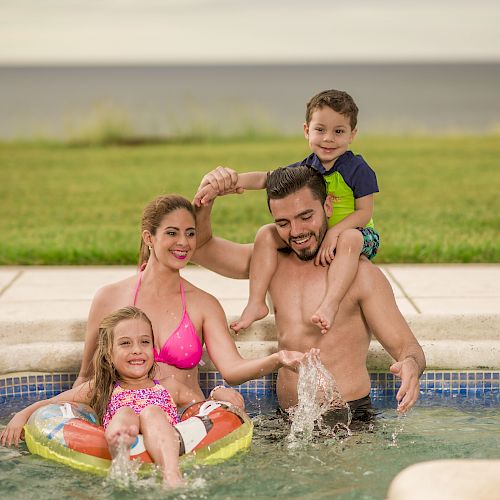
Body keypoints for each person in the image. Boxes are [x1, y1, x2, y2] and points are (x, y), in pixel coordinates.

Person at [193, 166, 426, 421]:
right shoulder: (270, 263)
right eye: (283, 223)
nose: (296, 232)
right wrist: (206, 197)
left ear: (327, 207)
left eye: (306, 217)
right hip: (288, 421)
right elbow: (202, 248)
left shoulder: (359, 274)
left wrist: (411, 365)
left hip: (349, 424)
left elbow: (408, 347)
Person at [73, 194, 308, 410]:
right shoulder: (110, 298)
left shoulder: (204, 304)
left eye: (191, 233)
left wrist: (278, 359)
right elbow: (87, 376)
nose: (184, 242)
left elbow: (232, 369)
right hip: (127, 419)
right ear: (149, 238)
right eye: (172, 233)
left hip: (187, 421)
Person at [194, 89, 380, 335]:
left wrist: (335, 232)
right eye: (320, 129)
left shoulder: (357, 168)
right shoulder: (306, 168)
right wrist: (229, 182)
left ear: (352, 134)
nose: (328, 138)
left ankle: (330, 302)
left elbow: (364, 212)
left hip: (356, 235)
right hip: (324, 236)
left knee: (351, 238)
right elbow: (265, 178)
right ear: (306, 130)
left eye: (339, 131)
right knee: (266, 233)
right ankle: (256, 302)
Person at [1, 306, 197, 487]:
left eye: (145, 342)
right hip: (122, 432)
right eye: (125, 343)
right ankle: (121, 454)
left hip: (162, 435)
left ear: (153, 349)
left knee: (152, 412)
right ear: (109, 355)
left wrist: (218, 393)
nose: (137, 349)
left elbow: (203, 408)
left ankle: (171, 474)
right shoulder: (103, 388)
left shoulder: (170, 387)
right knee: (125, 412)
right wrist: (21, 415)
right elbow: (54, 402)